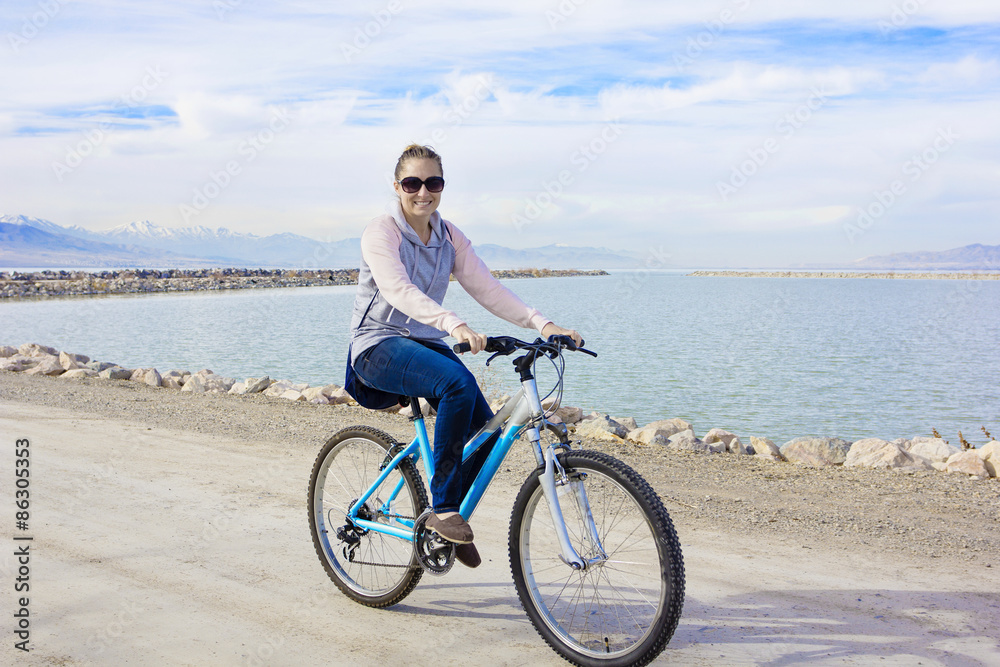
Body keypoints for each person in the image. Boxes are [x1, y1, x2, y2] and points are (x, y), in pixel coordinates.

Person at [347, 144, 581, 568]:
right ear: (397, 186)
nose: (423, 192)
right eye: (412, 183)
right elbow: (398, 289)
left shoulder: (450, 236)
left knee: (483, 432)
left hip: (424, 343)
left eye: (432, 182)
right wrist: (453, 323)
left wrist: (543, 324)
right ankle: (443, 509)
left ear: (442, 186)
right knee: (454, 383)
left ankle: (445, 518)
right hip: (377, 344)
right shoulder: (381, 232)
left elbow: (487, 288)